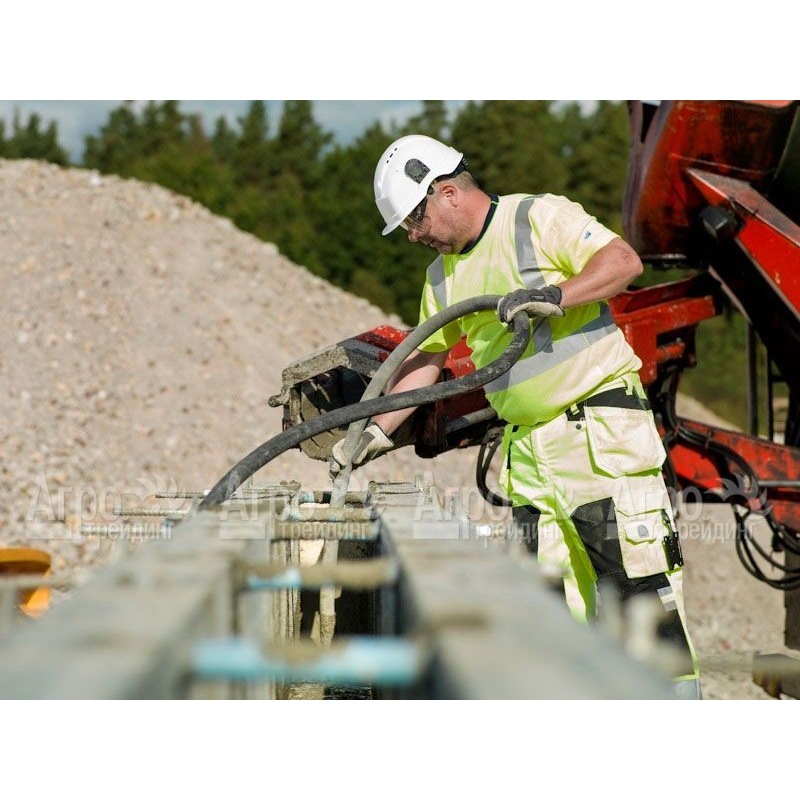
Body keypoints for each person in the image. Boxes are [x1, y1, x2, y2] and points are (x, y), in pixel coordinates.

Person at [332, 134, 700, 699]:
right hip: (529, 455)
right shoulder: (441, 278)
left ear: (447, 192)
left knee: (637, 596)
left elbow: (623, 262)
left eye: (414, 219)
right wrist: (375, 432)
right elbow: (427, 359)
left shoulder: (536, 219)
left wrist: (555, 295)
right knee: (548, 615)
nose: (413, 235)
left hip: (596, 438)